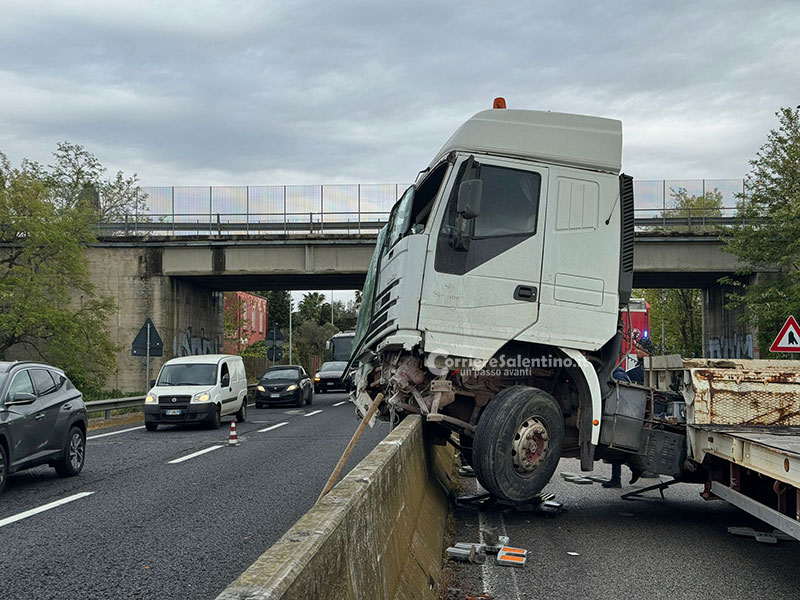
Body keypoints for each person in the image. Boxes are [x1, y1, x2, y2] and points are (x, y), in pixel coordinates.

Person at [604, 332, 656, 488]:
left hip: (636, 410)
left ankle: (620, 476)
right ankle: (623, 474)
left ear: (647, 352)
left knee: (619, 441)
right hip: (638, 410)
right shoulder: (647, 368)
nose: (636, 350)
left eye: (639, 348)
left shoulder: (643, 370)